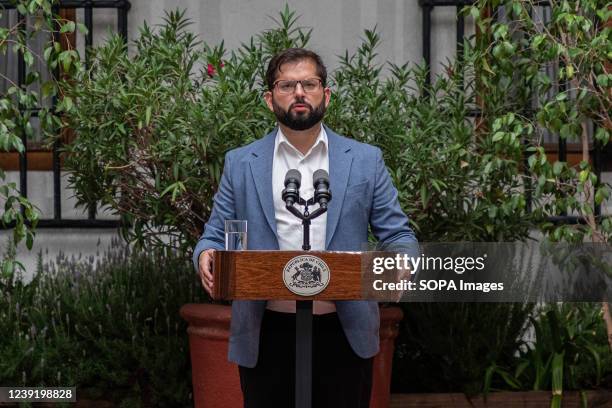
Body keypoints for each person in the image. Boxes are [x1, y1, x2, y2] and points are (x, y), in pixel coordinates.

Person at [193, 48, 417, 408]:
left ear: (325, 94)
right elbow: (215, 233)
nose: (299, 92)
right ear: (269, 99)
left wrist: (402, 264)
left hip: (343, 329)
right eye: (287, 85)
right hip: (265, 329)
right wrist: (204, 254)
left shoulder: (364, 160)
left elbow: (399, 235)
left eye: (309, 83)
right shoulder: (241, 163)